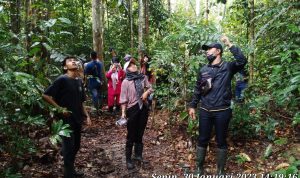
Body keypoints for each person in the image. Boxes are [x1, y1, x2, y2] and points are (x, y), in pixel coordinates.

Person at [188, 35, 247, 175]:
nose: (207, 51)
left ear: (218, 51)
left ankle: (220, 171)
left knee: (221, 140)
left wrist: (229, 44)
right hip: (205, 110)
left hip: (222, 110)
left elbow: (242, 61)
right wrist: (192, 105)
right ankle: (199, 168)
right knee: (202, 139)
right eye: (206, 50)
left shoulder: (228, 67)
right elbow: (198, 89)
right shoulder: (203, 70)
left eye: (210, 49)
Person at [42, 56, 90, 178]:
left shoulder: (79, 81)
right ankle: (69, 174)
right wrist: (60, 109)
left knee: (76, 145)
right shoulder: (61, 80)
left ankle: (71, 168)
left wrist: (87, 116)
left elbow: (81, 102)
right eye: (69, 61)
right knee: (69, 147)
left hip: (77, 118)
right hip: (65, 120)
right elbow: (46, 95)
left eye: (74, 60)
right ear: (65, 67)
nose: (73, 61)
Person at [119, 58, 153, 170]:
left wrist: (146, 93)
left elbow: (150, 88)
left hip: (143, 107)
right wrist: (123, 113)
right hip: (132, 109)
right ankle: (128, 159)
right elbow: (123, 99)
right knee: (131, 134)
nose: (134, 66)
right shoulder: (125, 82)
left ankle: (138, 155)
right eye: (130, 65)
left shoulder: (143, 77)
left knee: (140, 132)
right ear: (126, 69)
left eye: (134, 64)